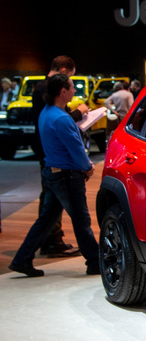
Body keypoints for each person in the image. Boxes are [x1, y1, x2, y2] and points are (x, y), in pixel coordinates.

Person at [8, 74, 100, 277]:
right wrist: (87, 167)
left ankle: (22, 259)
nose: (74, 90)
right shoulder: (61, 118)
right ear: (62, 92)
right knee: (81, 219)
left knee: (47, 219)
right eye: (71, 87)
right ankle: (94, 261)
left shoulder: (47, 113)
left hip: (52, 172)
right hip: (66, 175)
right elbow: (75, 148)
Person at [31, 56, 89, 258]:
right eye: (71, 82)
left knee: (51, 206)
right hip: (55, 159)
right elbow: (57, 122)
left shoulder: (42, 91)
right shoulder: (44, 91)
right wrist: (77, 114)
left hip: (50, 157)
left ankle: (42, 245)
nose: (73, 90)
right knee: (74, 214)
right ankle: (53, 242)